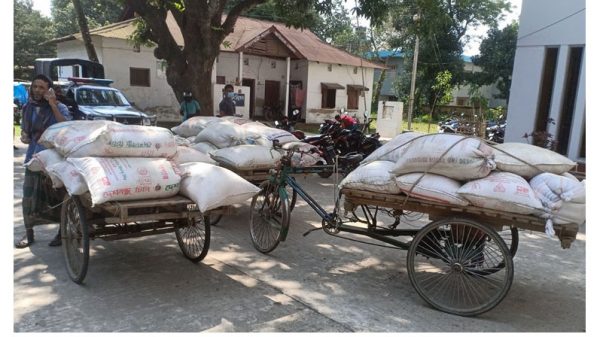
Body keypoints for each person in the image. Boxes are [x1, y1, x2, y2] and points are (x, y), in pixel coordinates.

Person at [15, 74, 72, 249]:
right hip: (33, 156)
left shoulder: (60, 107)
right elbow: (26, 133)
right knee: (30, 196)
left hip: (54, 158)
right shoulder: (28, 108)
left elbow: (67, 126)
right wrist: (26, 136)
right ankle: (29, 232)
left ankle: (61, 233)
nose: (38, 90)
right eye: (35, 87)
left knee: (58, 195)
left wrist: (53, 105)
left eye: (42, 87)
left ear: (50, 90)